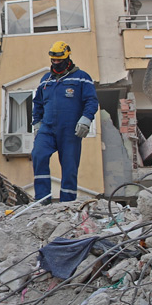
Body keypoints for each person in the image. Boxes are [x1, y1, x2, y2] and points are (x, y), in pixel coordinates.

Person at [31, 41, 99, 203]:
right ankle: (42, 199)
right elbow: (38, 103)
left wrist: (86, 119)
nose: (56, 62)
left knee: (69, 166)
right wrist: (36, 123)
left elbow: (91, 100)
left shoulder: (82, 78)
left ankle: (67, 202)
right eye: (53, 60)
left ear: (67, 58)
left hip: (70, 131)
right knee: (38, 154)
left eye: (59, 60)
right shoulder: (45, 80)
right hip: (47, 128)